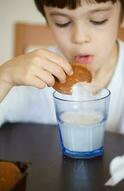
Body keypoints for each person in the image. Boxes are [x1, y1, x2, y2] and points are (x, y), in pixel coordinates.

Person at [0, 0, 124, 133]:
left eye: (98, 20)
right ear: (47, 20)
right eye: (62, 22)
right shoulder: (31, 79)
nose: (79, 38)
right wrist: (4, 77)